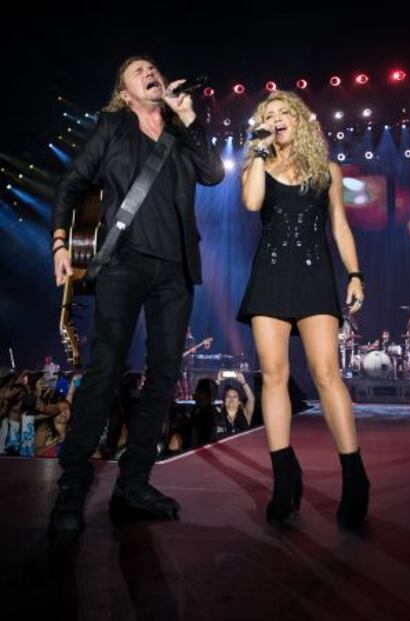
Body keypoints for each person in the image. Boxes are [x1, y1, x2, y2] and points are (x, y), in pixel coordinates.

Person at [50, 55, 224, 533]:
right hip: (123, 263)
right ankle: (72, 485)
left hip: (175, 269)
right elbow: (71, 184)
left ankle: (133, 484)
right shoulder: (112, 126)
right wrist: (60, 242)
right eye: (138, 71)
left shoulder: (179, 129)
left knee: (164, 376)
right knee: (106, 368)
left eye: (154, 67)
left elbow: (213, 174)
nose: (151, 72)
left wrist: (188, 117)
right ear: (125, 91)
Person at [237, 91, 369, 528]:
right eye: (268, 115)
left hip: (314, 273)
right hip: (271, 274)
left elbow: (341, 228)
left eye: (283, 113)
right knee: (273, 375)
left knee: (325, 372)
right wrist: (257, 151)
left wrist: (355, 274)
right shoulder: (257, 165)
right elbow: (253, 203)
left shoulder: (325, 170)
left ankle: (354, 476)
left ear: (299, 120)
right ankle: (283, 475)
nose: (276, 119)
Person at [214, 371, 255, 440]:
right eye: (228, 396)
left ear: (239, 402)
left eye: (235, 396)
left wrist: (243, 382)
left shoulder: (245, 415)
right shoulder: (217, 414)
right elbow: (207, 401)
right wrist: (217, 382)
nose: (231, 398)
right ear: (224, 401)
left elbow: (251, 400)